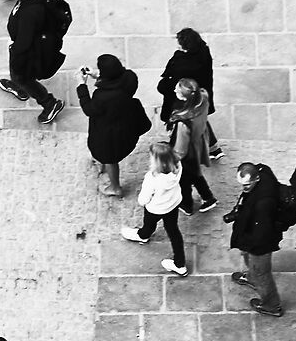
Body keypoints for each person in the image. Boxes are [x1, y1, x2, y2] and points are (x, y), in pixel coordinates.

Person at [1, 0, 71, 124]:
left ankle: (49, 103)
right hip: (30, 39)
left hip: (28, 47)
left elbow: (24, 43)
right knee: (18, 73)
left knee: (23, 76)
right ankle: (18, 85)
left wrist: (15, 50)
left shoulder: (30, 14)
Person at [77, 55, 150, 196]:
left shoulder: (102, 96)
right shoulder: (130, 78)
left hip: (110, 133)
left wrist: (82, 85)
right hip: (125, 123)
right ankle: (102, 161)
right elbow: (117, 81)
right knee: (107, 154)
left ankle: (115, 187)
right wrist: (98, 75)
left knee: (110, 158)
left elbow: (89, 109)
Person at [225, 163, 291, 319]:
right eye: (241, 185)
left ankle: (272, 305)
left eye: (247, 185)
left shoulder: (264, 204)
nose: (243, 189)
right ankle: (252, 277)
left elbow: (261, 233)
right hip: (251, 234)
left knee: (262, 273)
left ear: (257, 178)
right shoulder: (263, 172)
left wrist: (248, 243)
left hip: (260, 243)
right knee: (251, 262)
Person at [156, 28, 220, 159]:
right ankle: (213, 149)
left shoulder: (185, 64)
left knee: (180, 121)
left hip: (184, 98)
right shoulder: (202, 52)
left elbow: (173, 81)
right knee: (199, 119)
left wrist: (163, 85)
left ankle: (177, 149)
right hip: (198, 95)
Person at [126, 144, 190, 276]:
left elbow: (143, 199)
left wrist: (142, 201)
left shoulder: (152, 178)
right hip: (173, 204)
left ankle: (143, 236)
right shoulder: (178, 166)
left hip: (156, 208)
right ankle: (180, 264)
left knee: (149, 224)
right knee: (173, 231)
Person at [163, 78, 216, 214]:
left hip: (187, 152)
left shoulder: (182, 123)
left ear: (184, 97)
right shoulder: (203, 98)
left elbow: (180, 150)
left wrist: (172, 160)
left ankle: (187, 205)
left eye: (177, 90)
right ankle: (208, 198)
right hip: (197, 142)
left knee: (184, 180)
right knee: (195, 174)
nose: (174, 90)